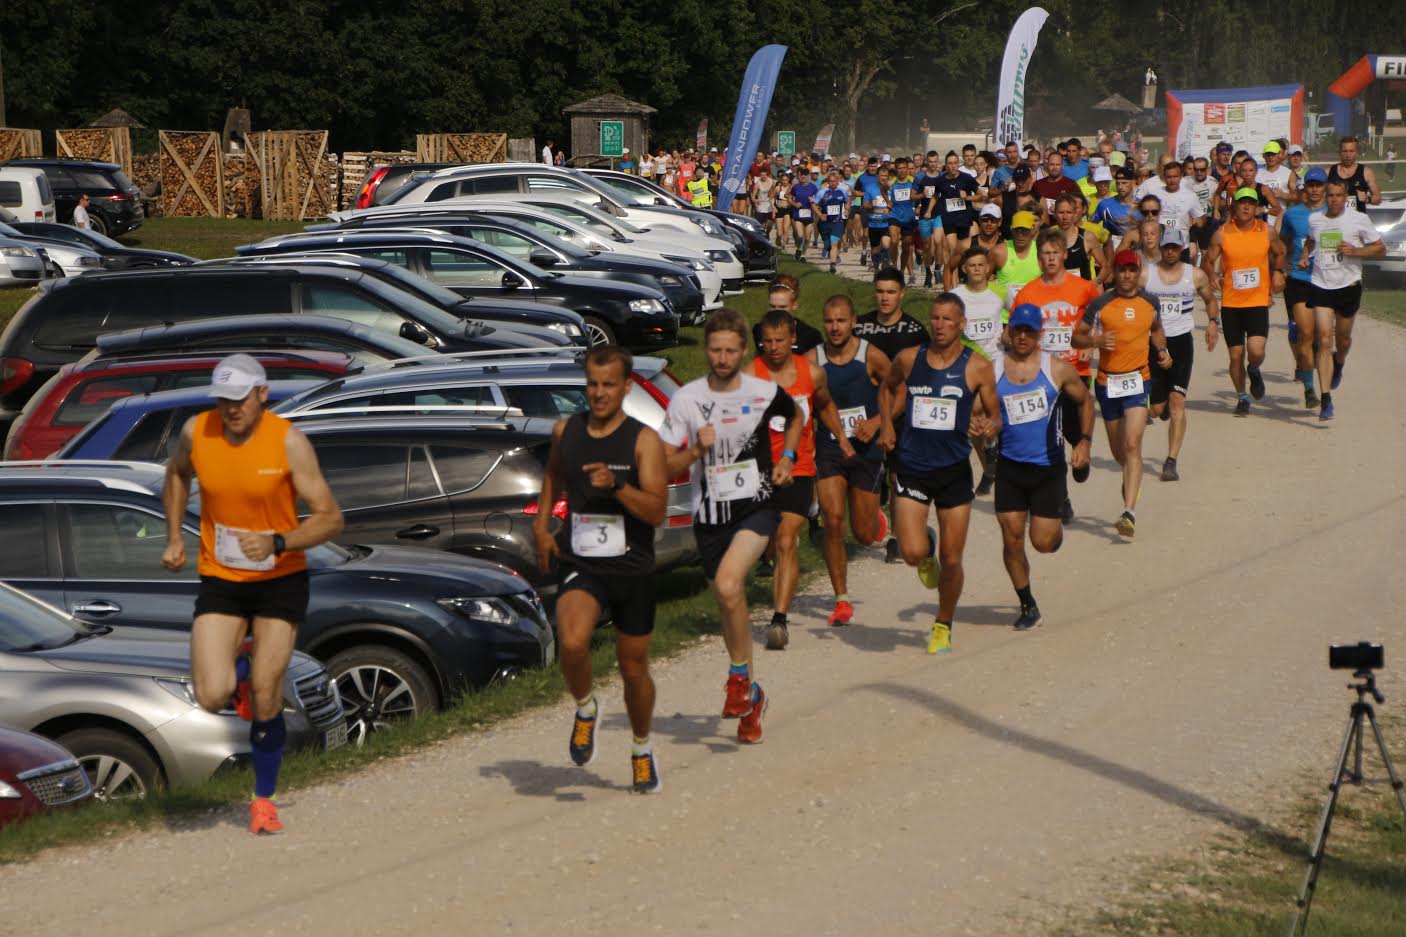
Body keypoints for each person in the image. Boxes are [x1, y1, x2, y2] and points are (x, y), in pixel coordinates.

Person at [161, 354, 345, 834]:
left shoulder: (289, 443)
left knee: (267, 695)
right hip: (221, 579)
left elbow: (331, 517)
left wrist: (278, 541)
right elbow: (176, 473)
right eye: (223, 399)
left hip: (280, 579)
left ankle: (263, 799)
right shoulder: (196, 432)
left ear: (263, 394)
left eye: (240, 398)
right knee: (210, 694)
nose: (231, 409)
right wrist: (176, 537)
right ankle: (238, 670)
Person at [659, 309, 800, 744]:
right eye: (715, 350)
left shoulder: (763, 391)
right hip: (710, 517)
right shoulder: (687, 400)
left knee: (727, 585)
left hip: (756, 508)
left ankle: (738, 677)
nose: (721, 358)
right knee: (728, 601)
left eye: (730, 351)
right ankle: (750, 695)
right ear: (706, 350)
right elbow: (665, 464)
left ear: (743, 352)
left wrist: (787, 458)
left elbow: (794, 418)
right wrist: (694, 452)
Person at [534, 346, 668, 793]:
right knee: (571, 641)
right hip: (582, 561)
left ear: (627, 387)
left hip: (633, 568)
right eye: (592, 383)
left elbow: (656, 511)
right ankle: (586, 707)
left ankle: (641, 747)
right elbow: (553, 474)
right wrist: (542, 525)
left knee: (633, 670)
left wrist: (619, 486)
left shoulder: (643, 440)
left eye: (609, 384)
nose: (599, 393)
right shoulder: (566, 430)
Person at [878, 293, 1000, 654]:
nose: (940, 325)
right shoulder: (909, 358)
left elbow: (996, 414)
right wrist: (886, 424)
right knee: (912, 553)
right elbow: (887, 387)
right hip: (912, 467)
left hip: (952, 471)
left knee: (952, 558)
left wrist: (988, 429)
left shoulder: (977, 366)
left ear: (962, 324)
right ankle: (924, 550)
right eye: (935, 318)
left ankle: (943, 624)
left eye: (948, 319)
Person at [992, 303, 1094, 629]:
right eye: (1017, 330)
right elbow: (976, 408)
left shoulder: (1057, 369)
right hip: (1009, 466)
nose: (1022, 336)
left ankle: (1056, 520)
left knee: (1043, 542)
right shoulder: (991, 369)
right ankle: (1027, 604)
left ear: (1040, 334)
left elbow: (1086, 401)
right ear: (1009, 332)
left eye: (1029, 331)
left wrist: (1084, 441)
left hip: (1047, 468)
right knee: (1010, 537)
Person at [753, 311, 846, 649]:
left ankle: (779, 619)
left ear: (793, 339)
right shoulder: (751, 374)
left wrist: (843, 440)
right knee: (760, 541)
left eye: (780, 341)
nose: (773, 347)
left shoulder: (812, 373)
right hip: (758, 469)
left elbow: (825, 406)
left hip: (799, 467)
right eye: (768, 341)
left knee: (785, 539)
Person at [1073, 251, 1172, 538]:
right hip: (1108, 384)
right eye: (1122, 270)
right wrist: (1096, 340)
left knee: (1132, 444)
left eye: (1132, 270)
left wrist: (1162, 352)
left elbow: (1157, 329)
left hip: (1139, 381)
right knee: (1120, 453)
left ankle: (1128, 512)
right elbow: (1076, 336)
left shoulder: (1150, 302)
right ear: (1115, 272)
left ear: (1138, 272)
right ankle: (1131, 480)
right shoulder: (1101, 303)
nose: (1127, 275)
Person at [811, 295, 892, 625]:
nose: (835, 327)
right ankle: (841, 599)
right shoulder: (811, 360)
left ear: (853, 322)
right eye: (829, 321)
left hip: (867, 450)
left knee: (862, 533)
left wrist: (876, 423)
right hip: (829, 449)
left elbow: (897, 389)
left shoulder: (870, 356)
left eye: (841, 321)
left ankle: (877, 523)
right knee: (831, 520)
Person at [1012, 230, 1102, 523]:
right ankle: (1061, 498)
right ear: (1038, 259)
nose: (1050, 259)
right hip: (1044, 375)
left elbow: (1102, 314)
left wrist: (1090, 343)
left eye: (1054, 253)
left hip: (1076, 370)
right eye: (1044, 255)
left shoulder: (1084, 288)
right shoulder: (1028, 293)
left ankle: (1082, 449)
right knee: (1051, 438)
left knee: (1074, 432)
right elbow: (1016, 329)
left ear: (1065, 254)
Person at [855, 266, 931, 562]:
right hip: (864, 413)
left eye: (890, 292)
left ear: (902, 294)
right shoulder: (859, 327)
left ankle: (898, 538)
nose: (884, 298)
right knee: (868, 475)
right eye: (880, 291)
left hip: (903, 413)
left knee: (899, 477)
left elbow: (920, 380)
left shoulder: (914, 333)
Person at [1301, 180, 1386, 420]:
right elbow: (1310, 240)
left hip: (1348, 286)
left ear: (1345, 196)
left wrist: (1356, 251)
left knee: (1344, 340)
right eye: (1330, 196)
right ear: (1325, 197)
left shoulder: (1358, 219)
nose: (1334, 199)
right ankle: (1326, 398)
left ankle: (1339, 362)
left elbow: (1381, 248)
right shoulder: (1315, 220)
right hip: (1321, 284)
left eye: (1338, 195)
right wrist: (1306, 255)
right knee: (1324, 339)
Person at [1140, 226, 1220, 481]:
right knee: (1155, 409)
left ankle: (1171, 460)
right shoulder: (1146, 275)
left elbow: (1210, 300)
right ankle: (1158, 407)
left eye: (1176, 247)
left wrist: (1212, 323)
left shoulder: (1194, 275)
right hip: (1152, 343)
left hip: (1181, 343)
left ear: (1183, 248)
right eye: (1167, 247)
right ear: (1161, 248)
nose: (1171, 251)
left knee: (1178, 402)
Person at [1202, 187, 1286, 416]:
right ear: (1234, 207)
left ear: (1257, 207)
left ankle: (1254, 369)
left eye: (1251, 203)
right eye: (1242, 203)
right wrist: (1212, 276)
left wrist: (1278, 272)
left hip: (1258, 300)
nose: (1246, 206)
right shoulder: (1222, 233)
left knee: (1255, 351)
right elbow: (1208, 260)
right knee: (1235, 355)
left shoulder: (1267, 232)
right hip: (1232, 303)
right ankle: (1242, 397)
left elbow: (1281, 252)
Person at [953, 246, 1009, 495]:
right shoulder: (956, 296)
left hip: (996, 361)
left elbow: (1017, 314)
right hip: (969, 363)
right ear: (964, 269)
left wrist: (1009, 330)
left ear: (988, 268)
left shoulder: (1000, 291)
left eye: (981, 265)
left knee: (986, 411)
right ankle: (989, 466)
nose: (976, 269)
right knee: (973, 419)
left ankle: (995, 456)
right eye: (971, 266)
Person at [1280, 168, 1328, 408]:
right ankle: (1310, 389)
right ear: (1304, 187)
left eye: (1319, 185)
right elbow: (1284, 244)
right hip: (1299, 279)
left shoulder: (1334, 213)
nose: (1314, 189)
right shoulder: (1292, 214)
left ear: (1325, 188)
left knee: (1323, 337)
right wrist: (1281, 271)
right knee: (1306, 334)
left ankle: (1321, 373)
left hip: (1328, 281)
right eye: (1310, 184)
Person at [934, 151, 981, 288]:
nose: (953, 166)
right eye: (950, 163)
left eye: (955, 163)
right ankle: (954, 288)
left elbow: (981, 196)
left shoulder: (966, 179)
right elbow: (935, 196)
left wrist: (967, 198)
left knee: (964, 253)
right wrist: (930, 210)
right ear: (946, 165)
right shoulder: (941, 180)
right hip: (949, 220)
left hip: (964, 220)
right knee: (953, 252)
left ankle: (965, 280)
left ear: (958, 164)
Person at [887, 158, 920, 284]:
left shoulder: (913, 182)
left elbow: (919, 195)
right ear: (896, 169)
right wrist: (887, 201)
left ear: (907, 169)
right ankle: (894, 265)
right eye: (899, 168)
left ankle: (901, 271)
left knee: (907, 246)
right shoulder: (892, 182)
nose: (901, 170)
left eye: (904, 168)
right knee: (894, 241)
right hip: (894, 215)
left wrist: (917, 206)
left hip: (909, 217)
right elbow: (883, 189)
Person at [1327, 136, 1381, 213]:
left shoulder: (1366, 172)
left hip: (1357, 222)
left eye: (1351, 151)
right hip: (1335, 222)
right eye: (1345, 151)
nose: (1348, 155)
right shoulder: (1329, 172)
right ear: (1339, 152)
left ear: (1357, 153)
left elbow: (1378, 198)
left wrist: (1367, 199)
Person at [992, 209, 1040, 293]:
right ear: (1011, 229)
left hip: (1034, 305)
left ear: (1032, 229)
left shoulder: (1041, 251)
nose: (1020, 235)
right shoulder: (999, 252)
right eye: (1016, 230)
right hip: (1006, 306)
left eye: (1024, 230)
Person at [816, 169, 850, 273]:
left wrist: (847, 210)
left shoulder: (842, 191)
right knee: (828, 245)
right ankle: (832, 253)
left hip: (837, 222)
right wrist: (820, 214)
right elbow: (814, 204)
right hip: (824, 223)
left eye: (834, 181)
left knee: (834, 243)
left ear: (838, 181)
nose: (833, 183)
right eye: (830, 181)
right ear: (828, 182)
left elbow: (847, 201)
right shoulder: (822, 192)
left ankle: (832, 264)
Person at [789, 168, 819, 260]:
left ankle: (803, 255)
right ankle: (799, 248)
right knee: (800, 236)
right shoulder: (795, 187)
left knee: (807, 238)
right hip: (798, 215)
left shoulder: (813, 187)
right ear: (799, 175)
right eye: (802, 174)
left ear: (808, 176)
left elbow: (818, 200)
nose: (803, 176)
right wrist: (795, 204)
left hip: (809, 216)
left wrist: (814, 200)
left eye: (805, 174)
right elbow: (789, 199)